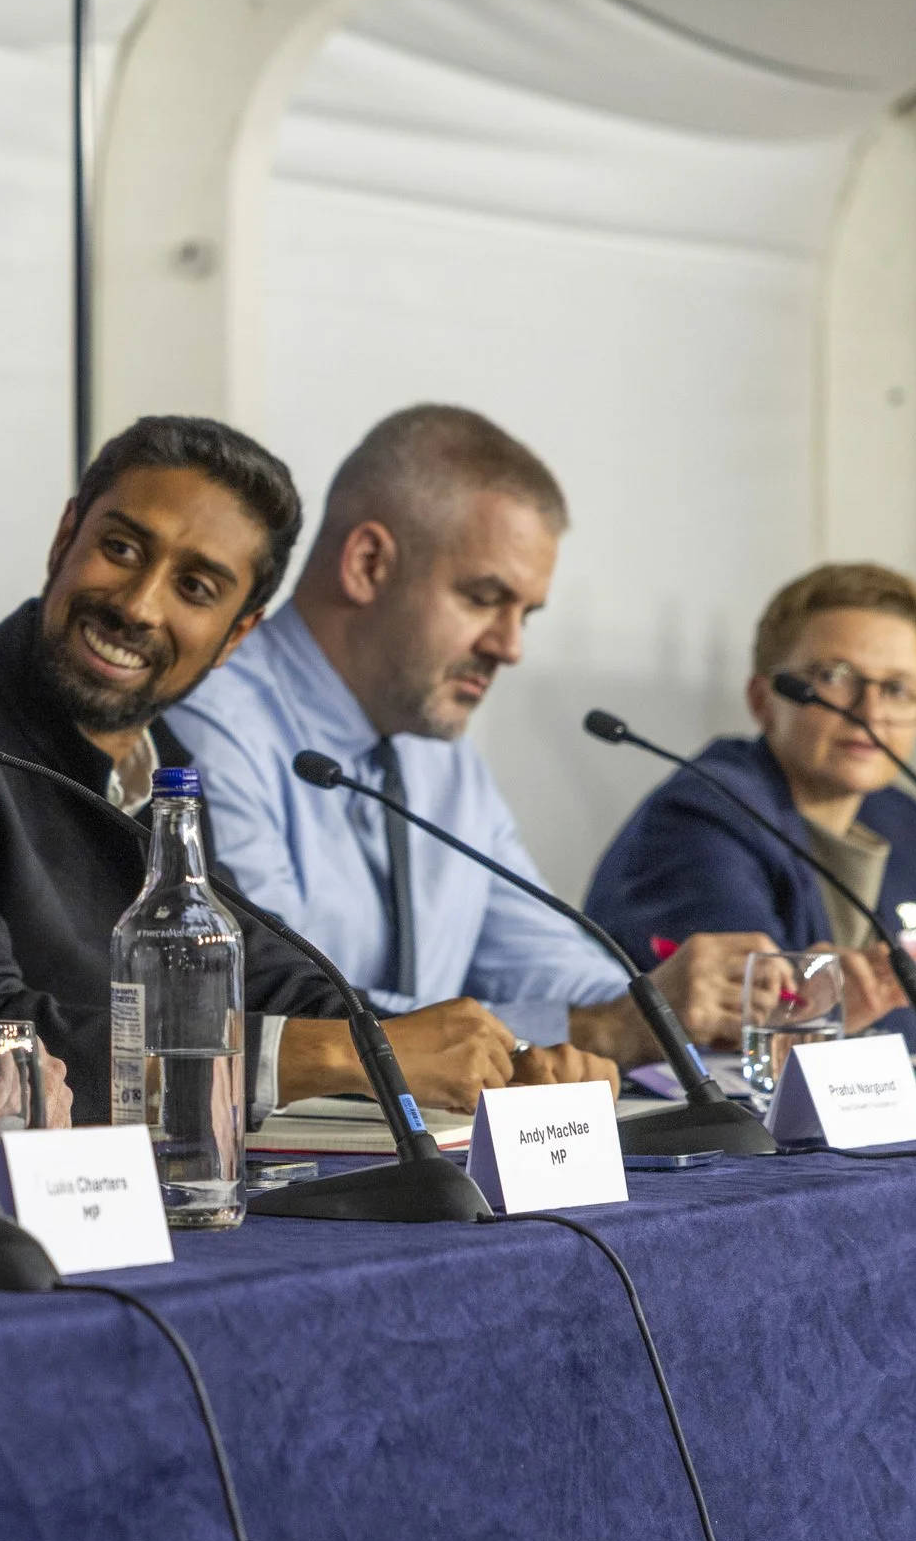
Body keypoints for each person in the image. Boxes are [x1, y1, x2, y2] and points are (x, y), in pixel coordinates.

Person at [0, 415, 614, 1124]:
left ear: (239, 632)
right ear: (67, 534)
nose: (138, 605)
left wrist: (496, 1064)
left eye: (197, 588)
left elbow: (269, 972)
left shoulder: (163, 768)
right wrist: (344, 1053)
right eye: (124, 549)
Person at [174, 404, 769, 1066]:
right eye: (485, 598)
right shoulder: (205, 720)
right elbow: (275, 1004)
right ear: (369, 564)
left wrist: (680, 1008)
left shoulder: (441, 754)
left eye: (526, 614)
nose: (510, 648)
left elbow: (542, 956)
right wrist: (603, 1028)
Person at [587, 563, 916, 1045]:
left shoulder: (903, 823)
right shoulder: (704, 816)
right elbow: (754, 1026)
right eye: (835, 676)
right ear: (761, 700)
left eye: (897, 688)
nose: (870, 712)